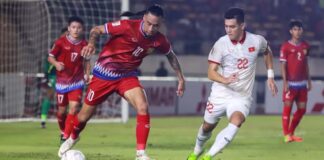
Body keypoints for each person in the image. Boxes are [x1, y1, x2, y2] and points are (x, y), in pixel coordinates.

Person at [58, 5, 185, 160]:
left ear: (161, 23)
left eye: (156, 25)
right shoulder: (126, 26)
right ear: (143, 18)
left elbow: (170, 55)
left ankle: (141, 154)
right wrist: (91, 44)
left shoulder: (159, 40)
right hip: (103, 75)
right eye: (149, 24)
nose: (152, 28)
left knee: (143, 107)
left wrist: (180, 78)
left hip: (127, 77)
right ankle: (73, 137)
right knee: (83, 116)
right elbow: (96, 30)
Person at [187, 8, 278, 160]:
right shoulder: (221, 44)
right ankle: (197, 151)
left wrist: (270, 76)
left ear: (242, 25)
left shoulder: (256, 40)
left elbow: (267, 51)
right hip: (220, 93)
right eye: (226, 26)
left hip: (241, 95)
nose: (228, 30)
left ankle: (208, 156)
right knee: (207, 127)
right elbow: (211, 72)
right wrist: (225, 80)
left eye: (232, 26)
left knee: (237, 121)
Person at [48, 16, 90, 143]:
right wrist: (56, 64)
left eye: (79, 28)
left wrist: (88, 74)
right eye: (73, 27)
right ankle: (63, 130)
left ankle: (66, 137)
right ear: (68, 28)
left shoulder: (85, 44)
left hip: (76, 82)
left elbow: (87, 61)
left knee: (74, 108)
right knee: (61, 112)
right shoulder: (60, 42)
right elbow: (50, 57)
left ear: (82, 30)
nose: (76, 30)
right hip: (62, 82)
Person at [280, 19, 311, 143]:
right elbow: (283, 65)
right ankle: (286, 134)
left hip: (302, 84)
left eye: (299, 29)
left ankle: (291, 132)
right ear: (290, 31)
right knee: (287, 108)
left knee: (302, 109)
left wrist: (309, 80)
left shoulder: (305, 46)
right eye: (295, 29)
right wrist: (285, 82)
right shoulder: (285, 47)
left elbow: (306, 63)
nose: (297, 32)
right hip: (291, 84)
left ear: (302, 31)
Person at [40, 27, 68, 129]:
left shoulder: (72, 45)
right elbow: (48, 60)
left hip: (66, 77)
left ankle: (67, 121)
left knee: (67, 99)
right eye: (65, 34)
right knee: (49, 96)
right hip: (54, 76)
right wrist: (46, 75)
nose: (67, 36)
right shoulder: (56, 44)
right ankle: (43, 120)